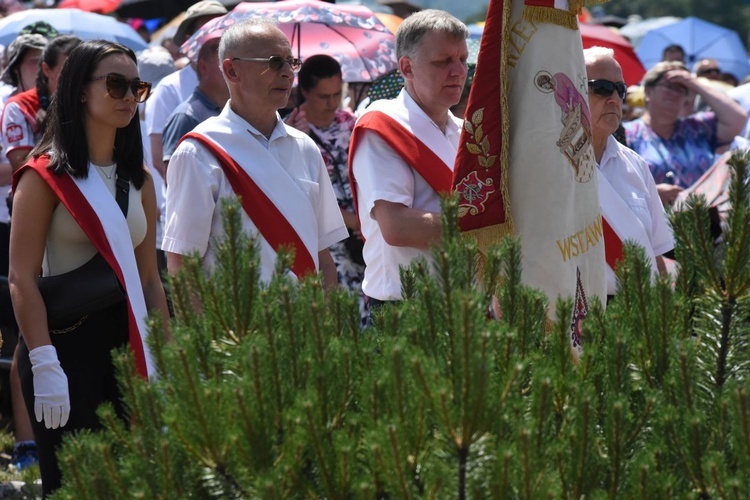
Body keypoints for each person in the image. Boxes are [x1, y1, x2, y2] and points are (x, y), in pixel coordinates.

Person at [8, 40, 170, 494]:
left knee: (133, 484)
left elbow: (150, 280)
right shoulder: (42, 176)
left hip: (129, 345)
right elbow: (21, 277)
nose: (127, 97)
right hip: (64, 349)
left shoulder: (139, 178)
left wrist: (171, 358)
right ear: (80, 89)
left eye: (136, 88)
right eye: (115, 84)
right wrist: (42, 361)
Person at [163, 20, 347, 289]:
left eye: (291, 62)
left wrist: (328, 327)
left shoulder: (305, 148)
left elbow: (323, 258)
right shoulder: (198, 152)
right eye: (274, 62)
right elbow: (182, 264)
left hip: (306, 325)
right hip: (235, 328)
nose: (287, 73)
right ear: (232, 70)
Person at [349, 9, 468, 309]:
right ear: (407, 67)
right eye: (443, 62)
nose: (458, 71)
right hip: (405, 308)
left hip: (464, 305)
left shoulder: (467, 132)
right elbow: (397, 227)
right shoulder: (383, 125)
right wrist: (487, 226)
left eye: (463, 60)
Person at [584, 47, 674, 299]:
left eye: (620, 89)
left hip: (638, 312)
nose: (614, 98)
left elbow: (657, 254)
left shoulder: (636, 165)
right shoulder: (552, 164)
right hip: (574, 318)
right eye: (601, 88)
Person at [293, 54, 366, 321]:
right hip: (325, 240)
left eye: (337, 94)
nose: (333, 103)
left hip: (361, 233)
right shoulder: (290, 132)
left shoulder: (352, 123)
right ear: (304, 91)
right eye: (324, 97)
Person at [623, 61, 746, 206]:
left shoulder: (697, 128)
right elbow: (616, 183)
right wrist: (651, 193)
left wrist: (694, 83)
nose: (674, 94)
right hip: (650, 222)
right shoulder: (626, 133)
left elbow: (738, 118)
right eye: (669, 86)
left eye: (681, 89)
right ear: (648, 92)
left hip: (699, 224)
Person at [144, 0, 227, 181]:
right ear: (191, 39)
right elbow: (160, 161)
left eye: (222, 28)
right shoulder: (169, 89)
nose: (217, 37)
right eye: (208, 30)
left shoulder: (236, 82)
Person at [161, 37, 228, 165]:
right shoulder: (186, 117)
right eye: (223, 63)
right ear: (203, 67)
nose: (232, 69)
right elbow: (174, 178)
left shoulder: (232, 109)